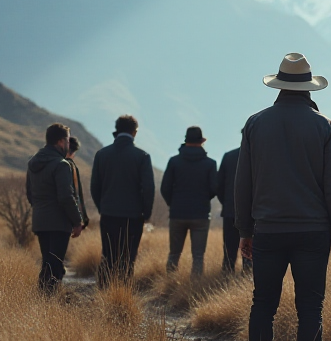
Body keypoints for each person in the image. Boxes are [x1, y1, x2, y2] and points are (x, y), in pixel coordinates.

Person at [235, 53, 331, 341]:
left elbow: (243, 184)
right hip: (314, 233)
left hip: (268, 230)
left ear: (279, 86)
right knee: (311, 310)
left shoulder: (255, 124)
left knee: (263, 305)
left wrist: (245, 230)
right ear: (309, 89)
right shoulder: (325, 126)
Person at [91, 115, 155, 288]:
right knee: (128, 257)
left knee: (108, 255)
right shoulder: (142, 156)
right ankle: (123, 293)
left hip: (108, 213)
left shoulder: (102, 154)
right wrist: (146, 213)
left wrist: (102, 207)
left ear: (116, 130)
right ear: (135, 132)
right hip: (133, 216)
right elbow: (148, 188)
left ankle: (104, 292)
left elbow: (95, 187)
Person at [27, 124, 84, 295]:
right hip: (59, 223)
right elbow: (66, 197)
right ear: (60, 141)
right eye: (67, 140)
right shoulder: (61, 165)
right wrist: (77, 221)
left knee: (47, 263)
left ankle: (42, 299)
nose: (68, 144)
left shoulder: (33, 163)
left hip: (40, 221)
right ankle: (48, 300)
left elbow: (30, 194)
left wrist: (40, 210)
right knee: (55, 267)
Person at [161, 126, 217, 278]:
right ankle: (195, 285)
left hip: (177, 213)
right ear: (201, 142)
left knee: (174, 253)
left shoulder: (174, 162)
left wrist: (173, 203)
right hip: (201, 214)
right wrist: (203, 200)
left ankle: (169, 283)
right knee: (198, 255)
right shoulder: (210, 164)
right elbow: (214, 188)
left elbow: (165, 188)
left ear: (186, 141)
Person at [217, 142, 251, 274]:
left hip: (230, 210)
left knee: (229, 249)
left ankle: (226, 275)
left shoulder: (229, 156)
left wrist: (227, 203)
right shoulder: (259, 156)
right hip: (252, 213)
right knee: (250, 251)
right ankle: (247, 277)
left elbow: (219, 186)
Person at [66, 137, 90, 229]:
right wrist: (80, 219)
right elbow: (75, 195)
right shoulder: (69, 166)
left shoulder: (46, 162)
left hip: (41, 220)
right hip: (65, 220)